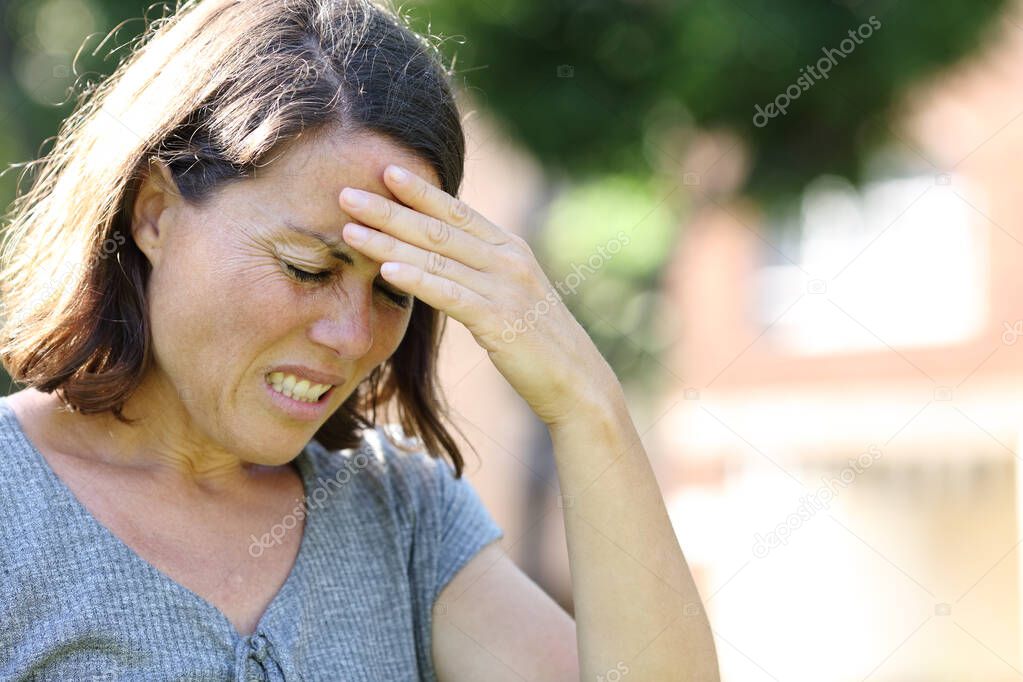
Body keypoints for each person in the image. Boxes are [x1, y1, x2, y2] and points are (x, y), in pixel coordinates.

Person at [0, 0, 719, 680]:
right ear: (154, 213)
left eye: (392, 290)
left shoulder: (402, 518)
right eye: (307, 268)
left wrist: (585, 405)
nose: (350, 337)